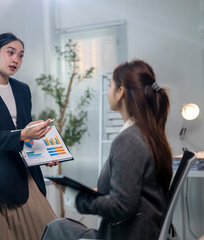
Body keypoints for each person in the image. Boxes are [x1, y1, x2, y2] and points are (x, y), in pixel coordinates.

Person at [40, 59, 173, 240]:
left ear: (120, 92)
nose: (107, 91)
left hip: (125, 235)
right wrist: (76, 191)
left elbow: (121, 206)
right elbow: (128, 192)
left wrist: (77, 198)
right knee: (59, 225)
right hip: (139, 232)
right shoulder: (149, 134)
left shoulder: (128, 140)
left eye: (111, 85)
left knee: (56, 228)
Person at [0, 33, 58, 240]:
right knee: (44, 231)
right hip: (0, 172)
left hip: (27, 171)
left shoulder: (22, 90)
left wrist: (45, 153)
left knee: (42, 231)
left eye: (21, 55)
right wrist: (23, 134)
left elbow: (27, 134)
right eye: (11, 52)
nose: (16, 59)